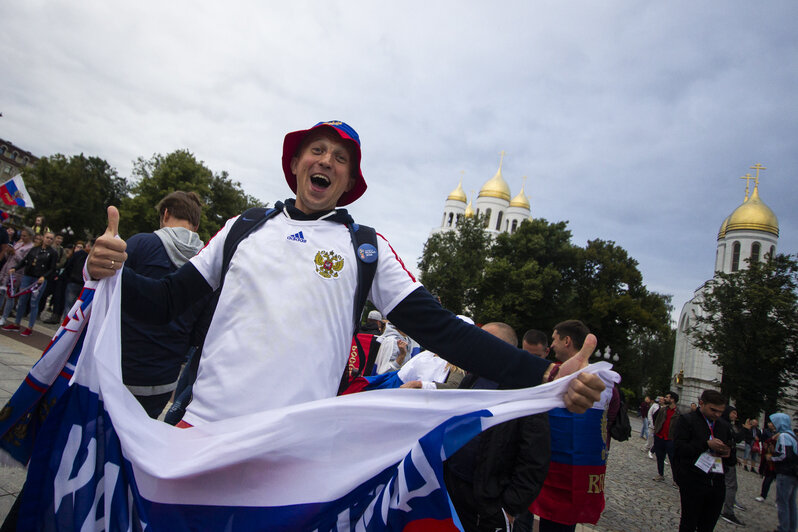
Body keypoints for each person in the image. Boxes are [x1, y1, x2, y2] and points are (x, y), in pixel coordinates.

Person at [86, 120, 605, 428]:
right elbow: (164, 304)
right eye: (317, 150)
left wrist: (541, 374)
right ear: (295, 165)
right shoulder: (241, 228)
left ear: (349, 182)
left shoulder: (366, 249)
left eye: (340, 158)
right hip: (199, 431)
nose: (326, 161)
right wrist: (113, 269)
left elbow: (444, 331)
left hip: (287, 450)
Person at [444, 322, 550, 532]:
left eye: (483, 342)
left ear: (503, 349)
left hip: (485, 504)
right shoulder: (472, 378)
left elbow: (534, 459)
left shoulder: (526, 392)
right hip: (451, 488)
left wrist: (509, 508)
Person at [121, 191, 205, 419]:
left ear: (165, 214)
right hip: (164, 379)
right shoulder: (208, 263)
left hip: (122, 367)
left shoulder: (140, 244)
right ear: (195, 225)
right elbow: (200, 330)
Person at [529, 319, 618, 532]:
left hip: (553, 467)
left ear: (567, 341)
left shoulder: (555, 377)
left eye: (554, 339)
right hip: (580, 468)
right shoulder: (607, 383)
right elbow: (611, 418)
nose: (552, 345)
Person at [673, 389, 733, 532]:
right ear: (702, 403)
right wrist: (706, 445)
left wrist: (728, 453)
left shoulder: (723, 426)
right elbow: (680, 449)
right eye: (713, 410)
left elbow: (732, 456)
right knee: (689, 522)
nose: (717, 414)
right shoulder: (687, 420)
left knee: (708, 525)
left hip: (716, 481)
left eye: (720, 411)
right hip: (693, 480)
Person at [1, 231, 58, 336]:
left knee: (33, 302)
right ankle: (16, 323)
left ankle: (30, 327)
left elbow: (52, 268)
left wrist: (44, 276)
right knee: (22, 301)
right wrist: (15, 268)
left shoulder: (53, 253)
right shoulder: (34, 249)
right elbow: (25, 261)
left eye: (51, 238)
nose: (48, 240)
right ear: (43, 238)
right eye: (47, 237)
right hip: (28, 276)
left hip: (39, 279)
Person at [770, 412, 798, 532]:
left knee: (782, 502)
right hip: (794, 474)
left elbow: (785, 455)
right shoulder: (793, 435)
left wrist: (771, 457)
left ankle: (783, 528)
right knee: (791, 503)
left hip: (785, 473)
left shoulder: (784, 436)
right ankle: (791, 528)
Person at [719, 405, 746, 526]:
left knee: (723, 484)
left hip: (726, 459)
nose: (735, 416)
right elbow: (735, 439)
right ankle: (728, 511)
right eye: (733, 413)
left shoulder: (724, 424)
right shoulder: (725, 425)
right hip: (726, 460)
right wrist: (745, 429)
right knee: (731, 486)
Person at [652, 391, 680, 484]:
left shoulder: (678, 413)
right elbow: (656, 418)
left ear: (672, 400)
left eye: (667, 397)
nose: (665, 399)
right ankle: (660, 474)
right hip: (660, 436)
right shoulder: (663, 410)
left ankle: (676, 479)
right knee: (660, 457)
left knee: (673, 460)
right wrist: (656, 430)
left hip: (670, 439)